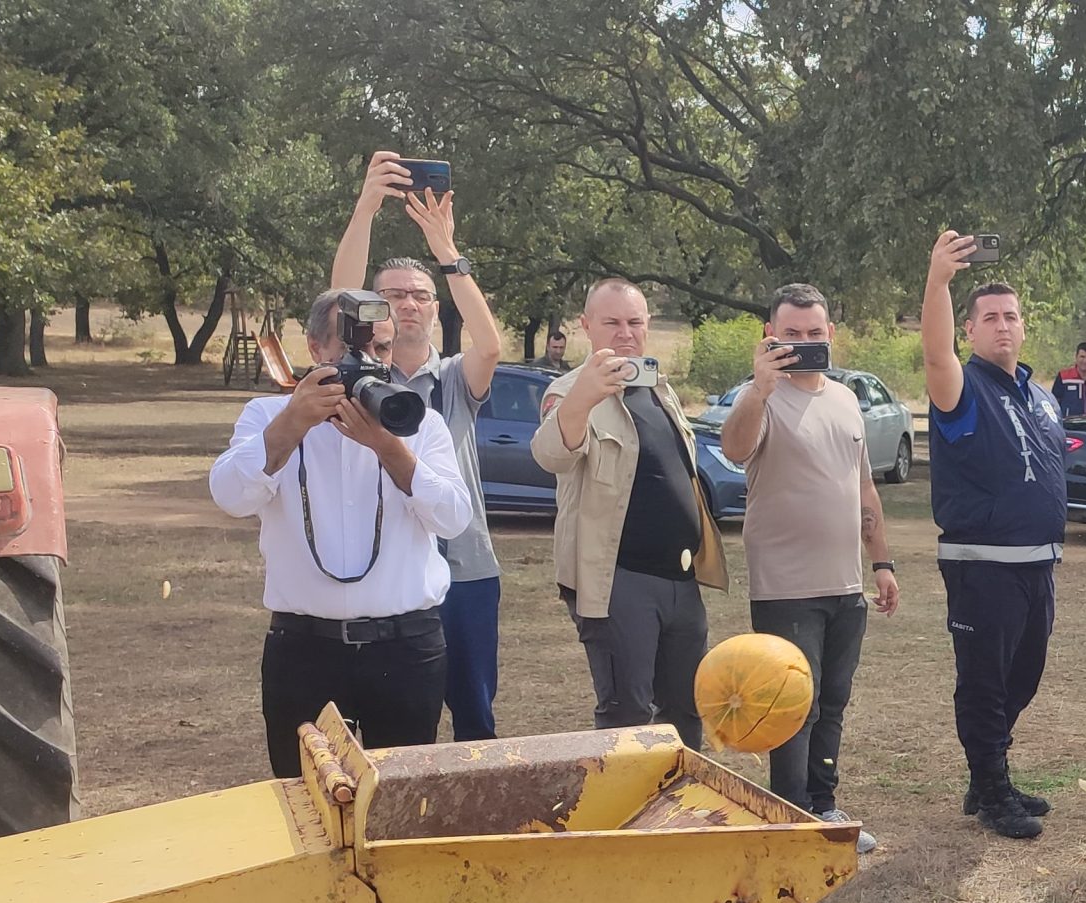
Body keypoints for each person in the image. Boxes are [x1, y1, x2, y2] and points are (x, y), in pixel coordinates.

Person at [209, 289, 473, 778]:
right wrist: (293, 423)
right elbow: (230, 496)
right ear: (315, 348)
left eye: (382, 350)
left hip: (406, 648)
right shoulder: (267, 417)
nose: (369, 363)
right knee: (306, 801)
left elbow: (455, 518)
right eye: (353, 349)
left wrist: (389, 447)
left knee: (400, 802)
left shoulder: (422, 425)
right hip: (304, 650)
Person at [716, 282, 901, 854]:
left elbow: (864, 485)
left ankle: (823, 805)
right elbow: (735, 449)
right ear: (770, 336)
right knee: (791, 703)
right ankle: (788, 814)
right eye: (790, 334)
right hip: (786, 587)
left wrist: (883, 562)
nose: (803, 343)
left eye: (814, 334)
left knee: (832, 702)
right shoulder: (761, 397)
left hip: (845, 584)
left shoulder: (846, 400)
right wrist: (758, 389)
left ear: (831, 336)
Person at [330, 151, 506, 740]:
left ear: (436, 308)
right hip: (390, 570)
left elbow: (492, 344)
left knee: (475, 717)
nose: (407, 303)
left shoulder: (454, 378)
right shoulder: (357, 381)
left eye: (420, 295)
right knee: (402, 729)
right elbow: (339, 297)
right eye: (392, 295)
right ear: (373, 309)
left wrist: (448, 256)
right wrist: (366, 208)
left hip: (467, 567)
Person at [531, 279, 728, 746]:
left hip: (681, 581)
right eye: (612, 322)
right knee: (628, 714)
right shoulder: (566, 391)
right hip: (618, 582)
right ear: (586, 327)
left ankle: (678, 813)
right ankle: (628, 818)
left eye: (635, 322)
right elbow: (550, 455)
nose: (625, 333)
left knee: (686, 709)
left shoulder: (659, 387)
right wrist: (585, 394)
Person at [919, 230, 1069, 839]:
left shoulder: (1039, 394)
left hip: (1039, 563)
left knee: (1022, 676)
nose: (1002, 326)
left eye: (1011, 316)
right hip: (983, 564)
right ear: (970, 331)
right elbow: (934, 355)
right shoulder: (962, 388)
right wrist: (938, 280)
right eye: (989, 318)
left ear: (1024, 326)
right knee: (983, 681)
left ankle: (989, 776)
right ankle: (992, 787)